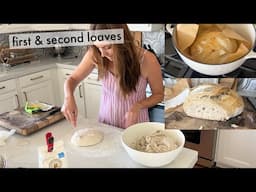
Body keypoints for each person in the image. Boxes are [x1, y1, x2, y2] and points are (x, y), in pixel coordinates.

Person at [61, 24, 164, 129]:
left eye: (108, 47)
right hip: (106, 125)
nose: (102, 54)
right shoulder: (95, 54)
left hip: (136, 127)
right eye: (98, 47)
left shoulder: (147, 60)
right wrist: (68, 97)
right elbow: (73, 79)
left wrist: (138, 106)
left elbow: (159, 94)